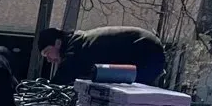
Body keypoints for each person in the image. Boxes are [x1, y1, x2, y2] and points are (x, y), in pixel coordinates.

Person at [38, 25, 167, 86]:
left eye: (47, 53)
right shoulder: (79, 41)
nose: (49, 60)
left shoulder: (75, 47)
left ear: (58, 43)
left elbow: (62, 78)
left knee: (127, 95)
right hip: (147, 49)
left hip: (146, 51)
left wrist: (46, 90)